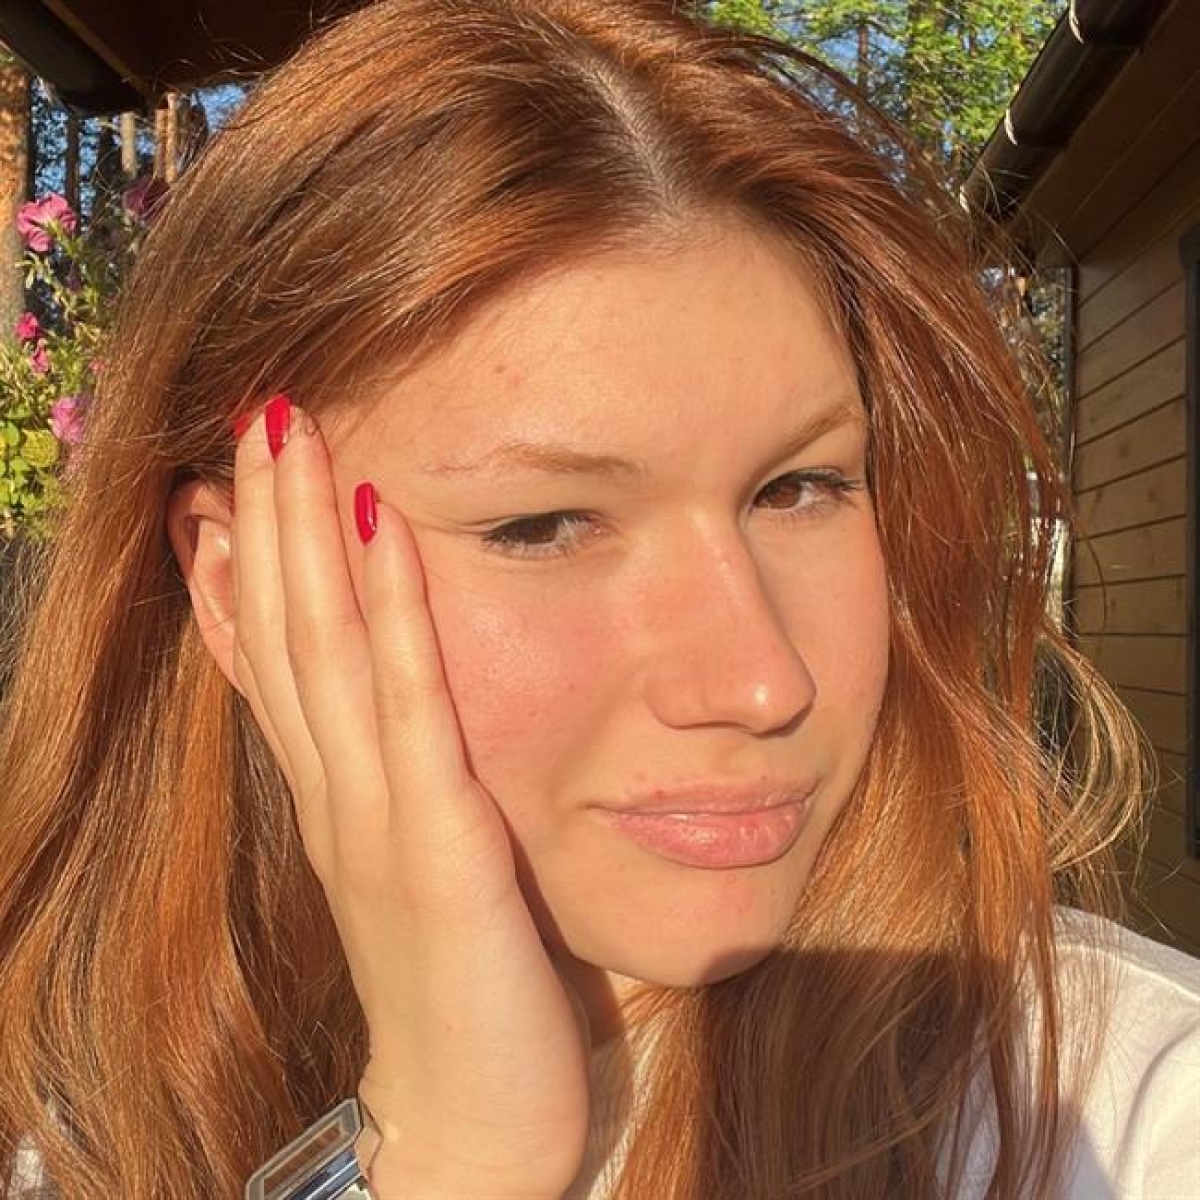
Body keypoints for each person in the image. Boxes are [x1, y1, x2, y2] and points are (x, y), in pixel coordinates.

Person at [1, 1, 1197, 1197]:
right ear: (237, 582)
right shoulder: (76, 1116)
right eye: (543, 525)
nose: (761, 682)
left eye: (800, 488)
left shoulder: (1126, 1112)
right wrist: (444, 1151)